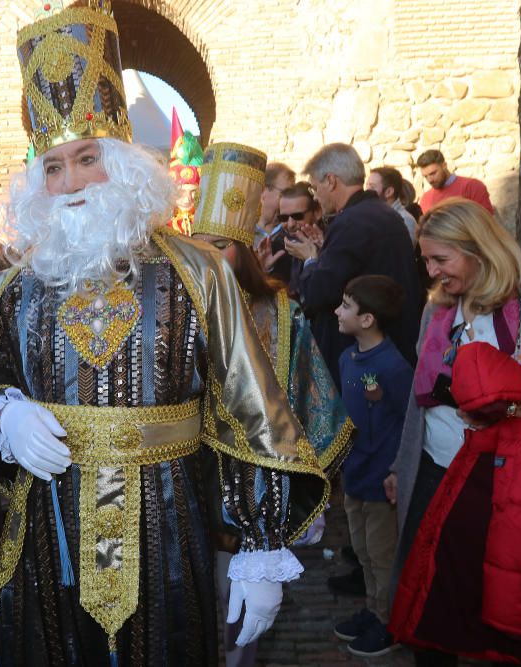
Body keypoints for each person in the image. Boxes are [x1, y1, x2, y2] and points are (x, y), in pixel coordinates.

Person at [0, 4, 329, 665]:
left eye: (86, 158)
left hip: (168, 528)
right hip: (45, 531)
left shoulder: (197, 272)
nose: (70, 183)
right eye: (53, 167)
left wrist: (261, 543)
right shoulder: (16, 287)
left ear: (121, 162)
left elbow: (247, 405)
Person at [386, 198, 521, 666]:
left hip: (502, 489)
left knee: (505, 615)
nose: (431, 272)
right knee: (432, 615)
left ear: (479, 250)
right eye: (425, 260)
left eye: (440, 259)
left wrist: (508, 406)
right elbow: (417, 405)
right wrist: (400, 468)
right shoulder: (437, 312)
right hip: (434, 475)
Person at [191, 142, 352, 667]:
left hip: (255, 479)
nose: (209, 256)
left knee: (243, 612)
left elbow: (309, 396)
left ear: (244, 247)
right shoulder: (175, 310)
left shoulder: (278, 314)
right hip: (190, 479)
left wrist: (304, 484)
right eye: (199, 244)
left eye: (221, 243)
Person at [286, 142, 423, 383]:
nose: (316, 196)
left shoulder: (352, 221)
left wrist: (309, 259)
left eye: (316, 187)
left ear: (331, 180)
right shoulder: (379, 212)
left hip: (367, 359)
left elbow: (321, 291)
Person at [331, 275, 412, 658]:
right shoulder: (348, 357)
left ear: (368, 319)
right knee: (362, 550)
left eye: (346, 305)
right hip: (356, 473)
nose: (337, 311)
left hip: (381, 480)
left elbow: (407, 422)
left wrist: (395, 470)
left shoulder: (393, 368)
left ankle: (389, 622)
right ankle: (374, 608)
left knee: (382, 555)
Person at [276, 182, 323, 294]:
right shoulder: (276, 245)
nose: (291, 224)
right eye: (284, 217)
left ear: (317, 212)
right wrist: (264, 269)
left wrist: (312, 260)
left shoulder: (329, 243)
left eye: (297, 216)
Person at [254, 162, 296, 281]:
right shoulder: (244, 233)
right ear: (263, 191)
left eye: (292, 194)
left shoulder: (294, 232)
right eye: (285, 193)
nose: (290, 200)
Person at [416, 149, 493, 215]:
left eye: (433, 173)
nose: (430, 180)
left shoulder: (472, 186)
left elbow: (486, 220)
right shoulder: (426, 199)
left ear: (444, 166)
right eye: (425, 176)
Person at [367, 167, 416, 243]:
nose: (367, 191)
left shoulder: (406, 220)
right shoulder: (371, 215)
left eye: (372, 187)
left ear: (389, 192)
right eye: (367, 186)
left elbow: (401, 252)